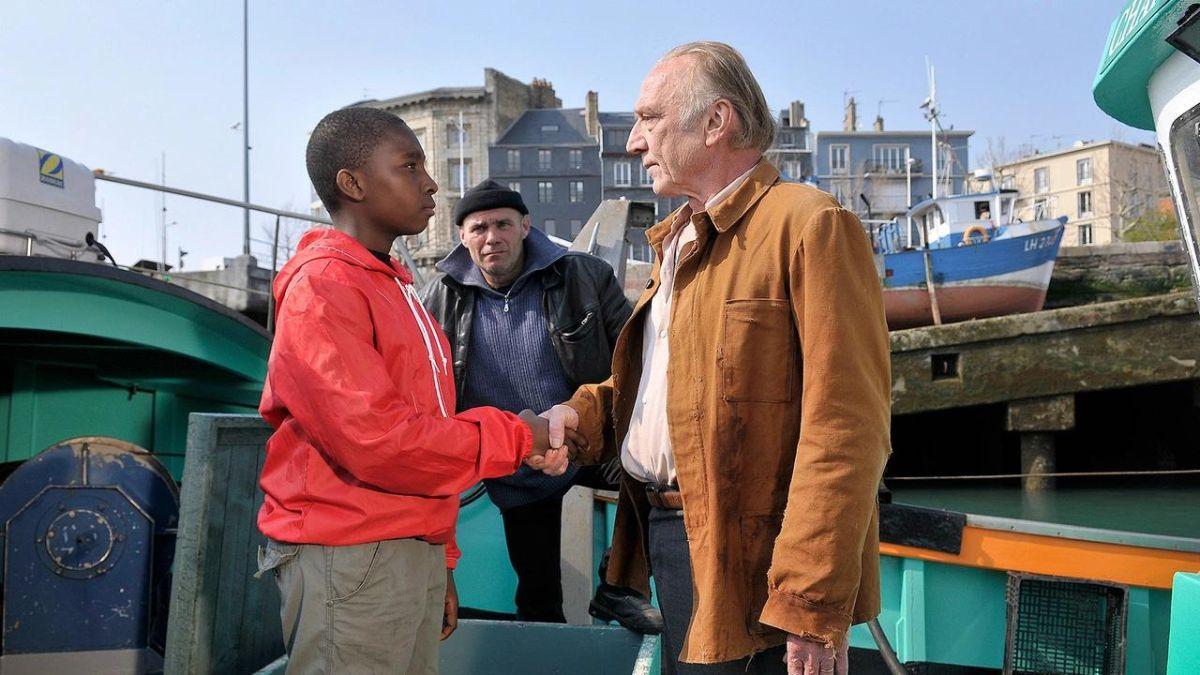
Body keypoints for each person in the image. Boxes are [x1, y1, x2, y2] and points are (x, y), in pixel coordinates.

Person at [543, 42, 891, 675]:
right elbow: (665, 392)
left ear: (714, 121)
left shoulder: (810, 225)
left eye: (649, 119)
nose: (634, 143)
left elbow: (846, 427)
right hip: (674, 543)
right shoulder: (680, 238)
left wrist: (808, 603)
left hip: (756, 567)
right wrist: (582, 419)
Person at [254, 107, 573, 674]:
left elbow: (425, 426)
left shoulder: (394, 287)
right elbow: (379, 441)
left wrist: (440, 559)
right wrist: (519, 435)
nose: (431, 183)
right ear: (352, 184)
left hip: (403, 550)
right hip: (350, 556)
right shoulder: (325, 286)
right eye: (409, 166)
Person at [421, 179, 663, 633]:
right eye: (479, 228)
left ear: (526, 226)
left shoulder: (583, 275)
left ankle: (619, 585)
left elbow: (636, 354)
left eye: (503, 224)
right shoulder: (441, 296)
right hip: (512, 457)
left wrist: (592, 420)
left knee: (654, 466)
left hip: (580, 434)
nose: (492, 237)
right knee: (537, 593)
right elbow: (425, 387)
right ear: (463, 236)